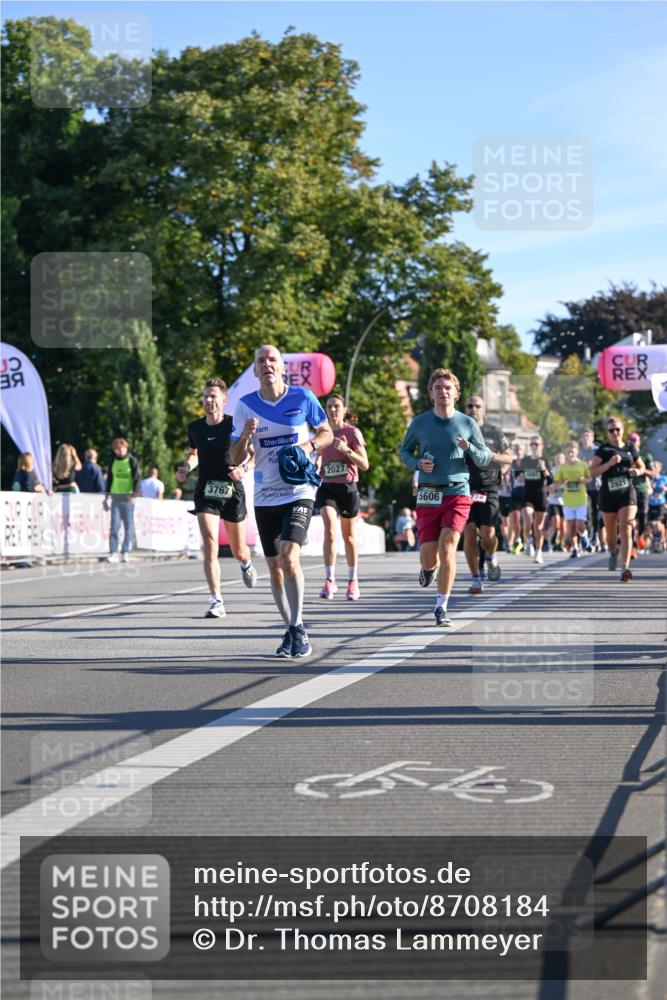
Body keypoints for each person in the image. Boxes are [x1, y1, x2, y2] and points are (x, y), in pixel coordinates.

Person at [230, 345, 333, 658]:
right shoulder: (246, 406)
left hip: (298, 490)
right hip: (264, 495)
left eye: (272, 359)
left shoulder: (302, 398)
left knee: (290, 557)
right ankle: (289, 626)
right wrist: (246, 436)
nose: (267, 364)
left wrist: (309, 445)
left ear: (282, 367)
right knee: (274, 568)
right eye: (261, 361)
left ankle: (299, 626)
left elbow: (326, 432)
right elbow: (234, 456)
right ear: (256, 370)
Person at [399, 368, 491, 627]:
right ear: (431, 394)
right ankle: (429, 569)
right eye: (438, 388)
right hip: (428, 492)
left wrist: (469, 447)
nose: (443, 392)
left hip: (457, 491)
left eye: (448, 388)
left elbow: (485, 458)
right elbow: (403, 452)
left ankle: (442, 606)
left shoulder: (467, 423)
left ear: (456, 393)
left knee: (448, 545)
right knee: (429, 555)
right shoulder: (420, 423)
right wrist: (418, 464)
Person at [177, 379, 257, 619]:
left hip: (232, 489)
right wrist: (186, 468)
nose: (208, 400)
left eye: (213, 396)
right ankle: (216, 600)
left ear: (224, 400)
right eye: (205, 397)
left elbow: (254, 456)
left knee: (238, 550)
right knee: (210, 542)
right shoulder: (195, 428)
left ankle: (246, 563)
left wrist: (243, 469)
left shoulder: (234, 425)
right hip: (206, 490)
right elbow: (195, 453)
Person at [314, 394, 369, 601]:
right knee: (329, 530)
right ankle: (329, 579)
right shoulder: (322, 432)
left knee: (349, 537)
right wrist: (316, 462)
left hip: (347, 488)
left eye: (337, 406)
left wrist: (346, 450)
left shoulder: (352, 432)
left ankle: (353, 580)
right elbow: (317, 454)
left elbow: (364, 464)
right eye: (329, 406)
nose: (333, 410)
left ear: (344, 409)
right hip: (327, 487)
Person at [461, 395, 513, 593]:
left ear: (484, 410)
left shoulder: (494, 432)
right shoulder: (459, 431)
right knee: (469, 531)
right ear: (465, 409)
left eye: (477, 406)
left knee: (488, 536)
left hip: (488, 488)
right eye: (470, 405)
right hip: (464, 488)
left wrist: (498, 464)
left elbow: (509, 457)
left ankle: (491, 556)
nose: (473, 408)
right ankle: (475, 577)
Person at [589, 418, 645, 582]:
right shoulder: (603, 449)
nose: (615, 433)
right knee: (611, 534)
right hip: (608, 494)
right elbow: (592, 472)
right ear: (608, 433)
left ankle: (625, 567)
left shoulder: (630, 448)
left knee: (627, 527)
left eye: (617, 429)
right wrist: (609, 463)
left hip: (627, 492)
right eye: (611, 430)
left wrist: (637, 472)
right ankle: (613, 551)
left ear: (622, 429)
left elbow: (641, 467)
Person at [103, 437, 141, 563]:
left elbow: (137, 479)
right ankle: (114, 552)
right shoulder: (113, 461)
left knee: (128, 526)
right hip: (115, 498)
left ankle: (125, 552)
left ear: (126, 448)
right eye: (117, 449)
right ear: (114, 450)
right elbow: (109, 479)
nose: (120, 451)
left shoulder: (132, 461)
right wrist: (106, 496)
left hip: (128, 499)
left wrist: (135, 495)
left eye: (122, 448)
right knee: (114, 526)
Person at [553, 441, 591, 558]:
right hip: (568, 500)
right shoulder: (562, 467)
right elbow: (556, 483)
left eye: (572, 451)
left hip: (580, 499)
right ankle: (575, 548)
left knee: (579, 524)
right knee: (570, 527)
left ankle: (584, 535)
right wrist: (561, 482)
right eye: (568, 451)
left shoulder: (583, 465)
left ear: (577, 452)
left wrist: (583, 479)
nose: (570, 453)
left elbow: (590, 479)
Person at [518, 435, 552, 564]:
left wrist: (544, 469)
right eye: (532, 444)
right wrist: (519, 476)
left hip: (541, 495)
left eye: (536, 444)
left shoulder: (545, 460)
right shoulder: (526, 460)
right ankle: (528, 541)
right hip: (527, 493)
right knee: (527, 516)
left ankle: (538, 552)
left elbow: (550, 481)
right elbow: (518, 474)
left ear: (541, 446)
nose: (534, 446)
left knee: (539, 527)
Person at [626, 430, 653, 550]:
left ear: (639, 442)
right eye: (631, 440)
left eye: (635, 440)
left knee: (643, 516)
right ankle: (631, 542)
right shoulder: (625, 454)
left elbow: (653, 473)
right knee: (630, 518)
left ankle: (639, 536)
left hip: (642, 489)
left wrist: (641, 468)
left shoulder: (646, 455)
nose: (632, 442)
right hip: (629, 489)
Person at [579, 429, 604, 550]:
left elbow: (601, 465)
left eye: (587, 436)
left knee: (596, 512)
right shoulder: (579, 452)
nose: (585, 438)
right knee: (586, 512)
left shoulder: (597, 450)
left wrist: (592, 466)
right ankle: (587, 537)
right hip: (582, 487)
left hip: (596, 486)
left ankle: (596, 535)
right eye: (583, 436)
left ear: (592, 438)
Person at [508, 442, 526, 554]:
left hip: (527, 494)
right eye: (516, 449)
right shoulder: (511, 463)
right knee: (515, 518)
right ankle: (518, 539)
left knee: (527, 521)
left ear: (523, 450)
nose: (518, 450)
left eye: (520, 448)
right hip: (515, 493)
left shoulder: (528, 462)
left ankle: (528, 541)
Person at [547, 451, 566, 551]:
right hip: (554, 501)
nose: (559, 460)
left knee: (564, 526)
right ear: (555, 460)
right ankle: (553, 541)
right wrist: (553, 486)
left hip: (566, 501)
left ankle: (560, 544)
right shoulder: (552, 471)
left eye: (561, 458)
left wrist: (559, 484)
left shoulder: (567, 470)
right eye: (557, 458)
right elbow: (548, 485)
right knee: (556, 523)